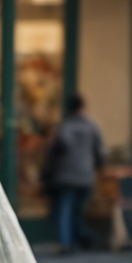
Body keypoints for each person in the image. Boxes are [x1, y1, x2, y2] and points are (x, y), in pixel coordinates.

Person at [45, 94, 106, 253]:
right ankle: (82, 238)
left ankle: (67, 243)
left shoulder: (65, 126)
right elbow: (101, 153)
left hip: (65, 176)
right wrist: (95, 167)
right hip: (85, 176)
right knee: (78, 211)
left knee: (65, 210)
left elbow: (55, 150)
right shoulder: (92, 126)